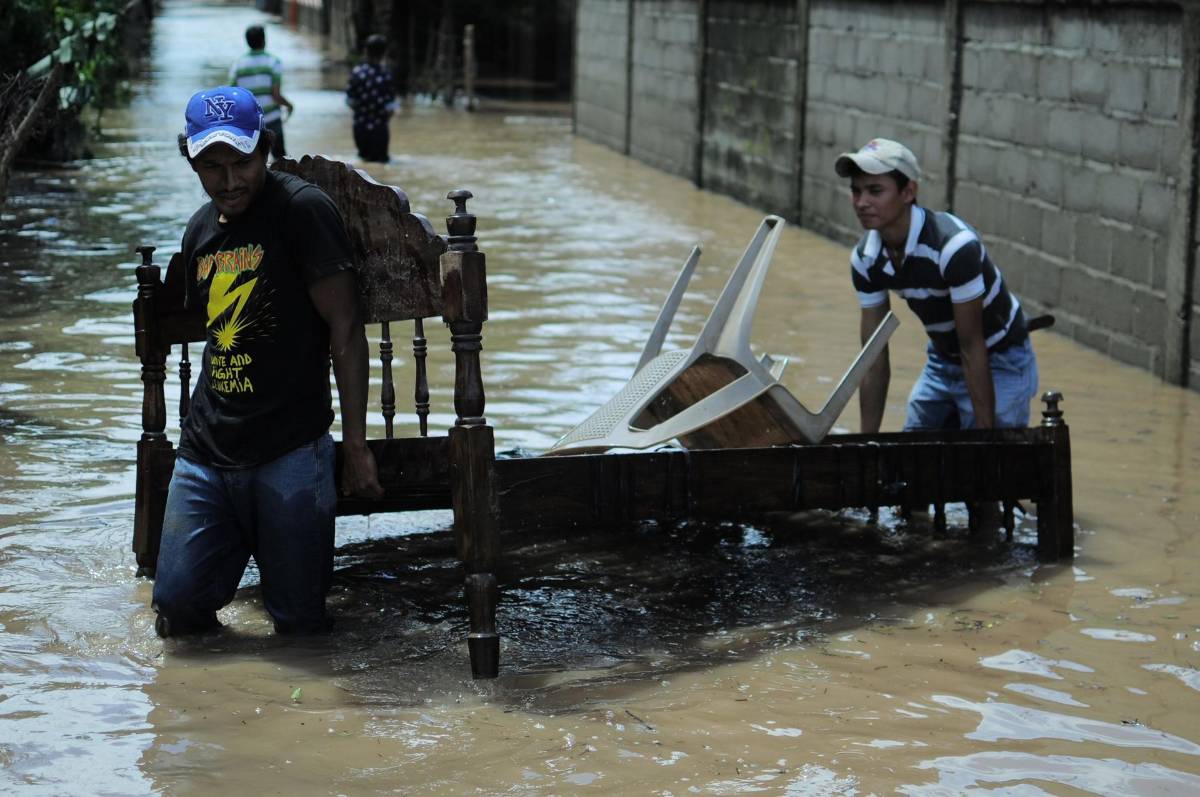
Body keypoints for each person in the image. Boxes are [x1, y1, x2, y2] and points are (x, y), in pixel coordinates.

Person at [152, 85, 383, 637]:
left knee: (300, 624)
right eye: (212, 166)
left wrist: (354, 447)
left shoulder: (302, 212)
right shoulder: (199, 231)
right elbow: (211, 331)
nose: (229, 180)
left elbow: (346, 329)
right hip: (207, 451)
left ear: (265, 150)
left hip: (290, 449)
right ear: (192, 161)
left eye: (242, 162)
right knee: (176, 610)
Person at [836, 138, 1039, 434]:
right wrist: (866, 445)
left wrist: (986, 440)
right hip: (943, 360)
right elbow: (873, 358)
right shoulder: (866, 258)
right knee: (913, 451)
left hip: (999, 358)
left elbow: (972, 344)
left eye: (875, 191)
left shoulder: (953, 247)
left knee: (989, 454)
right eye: (856, 191)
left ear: (909, 192)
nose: (861, 202)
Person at [229, 24, 294, 160]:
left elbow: (233, 97)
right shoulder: (273, 62)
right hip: (272, 118)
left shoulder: (237, 65)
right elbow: (276, 95)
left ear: (247, 42)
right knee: (281, 159)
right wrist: (289, 106)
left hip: (250, 120)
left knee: (255, 159)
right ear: (264, 40)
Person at [345, 34, 398, 163]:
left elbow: (349, 102)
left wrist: (362, 113)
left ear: (366, 51)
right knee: (381, 162)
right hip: (380, 129)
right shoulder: (386, 75)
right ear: (384, 53)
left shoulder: (357, 73)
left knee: (363, 164)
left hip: (360, 127)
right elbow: (391, 108)